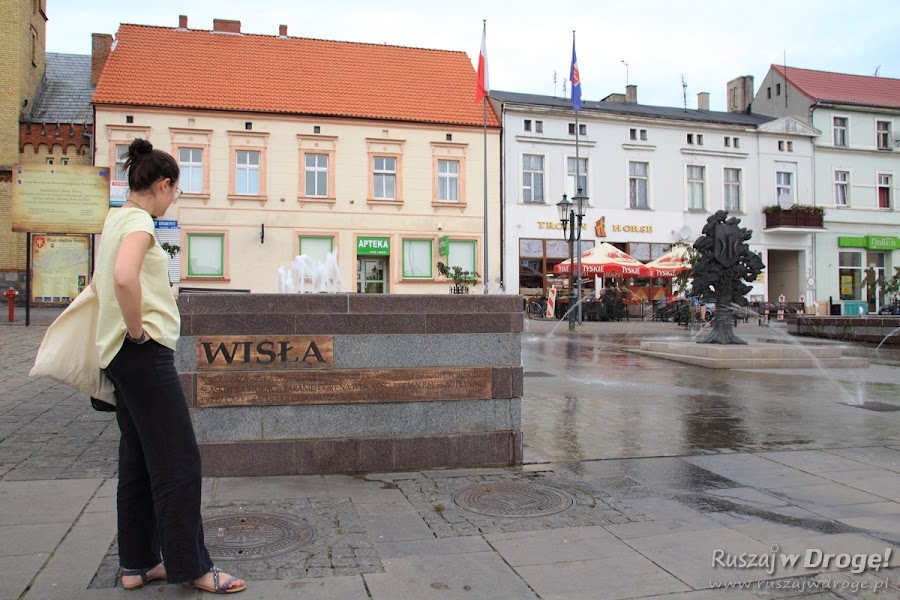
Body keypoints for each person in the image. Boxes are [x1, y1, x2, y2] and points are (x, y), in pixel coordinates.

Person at [94, 139, 245, 594]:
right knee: (180, 461)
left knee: (137, 459)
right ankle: (193, 567)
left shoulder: (115, 218)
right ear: (162, 185)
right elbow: (124, 277)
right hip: (140, 352)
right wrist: (139, 331)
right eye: (174, 191)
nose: (173, 199)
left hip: (117, 357)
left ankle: (137, 564)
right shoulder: (139, 221)